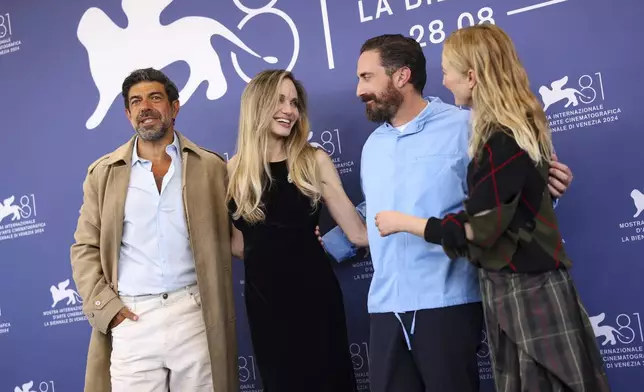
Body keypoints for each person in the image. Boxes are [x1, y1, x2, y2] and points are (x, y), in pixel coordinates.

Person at [321, 34, 574, 392]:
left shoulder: (465, 127)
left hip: (448, 303)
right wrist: (333, 240)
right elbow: (376, 215)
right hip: (385, 307)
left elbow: (507, 200)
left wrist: (548, 190)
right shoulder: (371, 147)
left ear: (401, 76)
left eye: (366, 77)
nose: (359, 90)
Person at [373, 25, 610, 392]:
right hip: (510, 287)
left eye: (447, 70)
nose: (443, 79)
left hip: (525, 289)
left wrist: (404, 223)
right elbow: (509, 204)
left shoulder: (496, 135)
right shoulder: (504, 130)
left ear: (471, 76)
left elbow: (481, 228)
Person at [70, 68, 237, 392]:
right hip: (133, 318)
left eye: (155, 97)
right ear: (128, 113)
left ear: (175, 107)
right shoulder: (103, 174)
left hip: (194, 314)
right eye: (136, 101)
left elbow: (240, 234)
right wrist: (108, 308)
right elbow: (84, 248)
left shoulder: (212, 167)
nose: (144, 106)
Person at [226, 69, 367, 392]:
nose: (290, 110)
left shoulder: (313, 160)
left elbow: (357, 233)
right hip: (265, 306)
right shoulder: (232, 172)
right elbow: (237, 244)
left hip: (316, 300)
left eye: (294, 102)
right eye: (279, 100)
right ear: (256, 105)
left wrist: (420, 233)